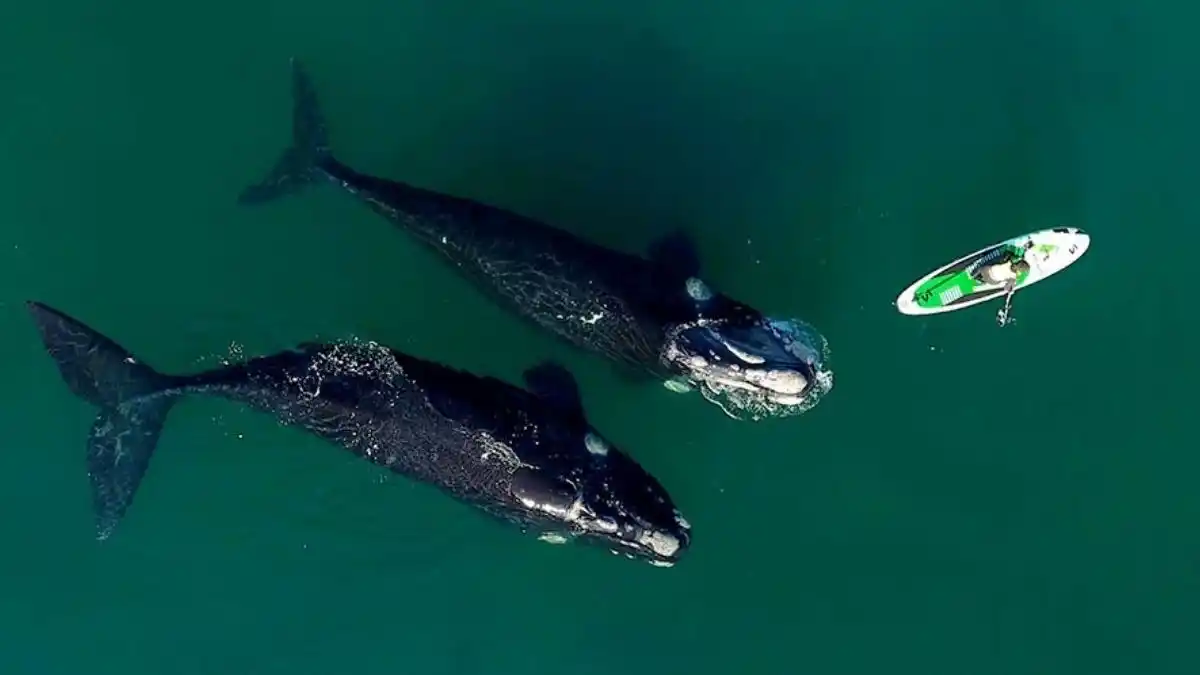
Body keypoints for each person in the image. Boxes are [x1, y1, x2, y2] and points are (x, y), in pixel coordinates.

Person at [968, 240, 1035, 326]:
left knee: (984, 268)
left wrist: (1025, 249)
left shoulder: (1011, 259)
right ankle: (981, 281)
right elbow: (1006, 288)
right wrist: (1011, 289)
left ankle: (974, 274)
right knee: (996, 278)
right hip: (992, 281)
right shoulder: (1013, 277)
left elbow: (1010, 254)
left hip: (985, 270)